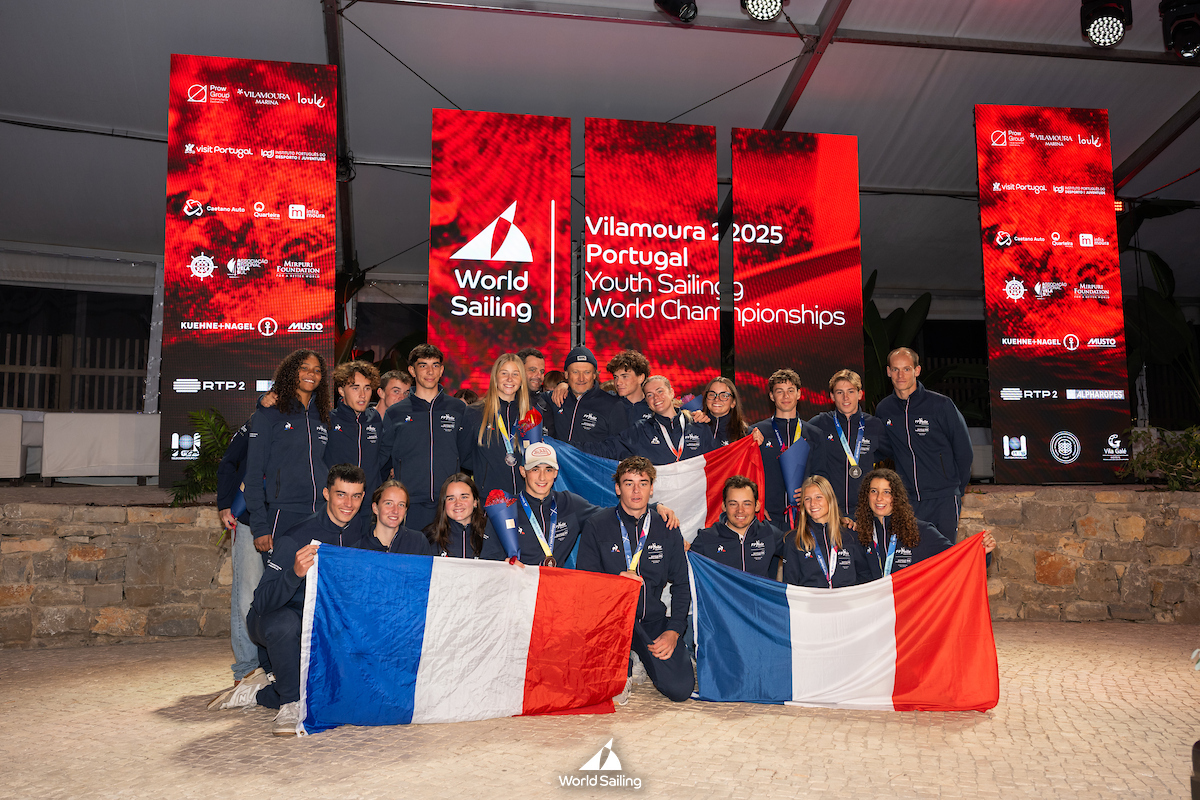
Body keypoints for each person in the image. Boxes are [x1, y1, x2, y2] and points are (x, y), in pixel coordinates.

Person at [211, 464, 370, 735]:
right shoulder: (296, 536)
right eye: (341, 494)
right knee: (285, 623)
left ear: (363, 497)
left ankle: (259, 693)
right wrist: (294, 574)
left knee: (334, 696)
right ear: (326, 494)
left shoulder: (360, 533)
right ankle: (289, 703)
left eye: (355, 496)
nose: (348, 503)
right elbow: (261, 602)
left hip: (321, 625)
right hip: (276, 620)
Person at [577, 457, 693, 704]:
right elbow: (585, 583)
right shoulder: (597, 525)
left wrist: (674, 630)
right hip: (610, 622)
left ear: (652, 489)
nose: (636, 490)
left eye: (643, 483)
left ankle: (638, 654)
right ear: (618, 488)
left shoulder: (667, 527)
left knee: (680, 689)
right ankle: (624, 662)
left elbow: (682, 585)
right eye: (629, 483)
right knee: (600, 689)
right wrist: (615, 582)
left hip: (651, 621)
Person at [480, 441, 680, 566]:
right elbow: (487, 561)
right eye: (535, 469)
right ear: (523, 472)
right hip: (516, 596)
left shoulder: (569, 503)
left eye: (548, 469)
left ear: (556, 473)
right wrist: (503, 566)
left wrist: (653, 507)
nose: (542, 477)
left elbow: (612, 516)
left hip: (554, 597)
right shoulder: (505, 509)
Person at [874, 347, 973, 543]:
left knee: (944, 555)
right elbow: (883, 448)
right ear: (888, 372)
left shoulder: (941, 405)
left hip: (943, 498)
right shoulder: (884, 409)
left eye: (906, 369)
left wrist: (955, 490)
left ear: (917, 370)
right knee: (912, 555)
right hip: (908, 499)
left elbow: (964, 452)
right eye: (895, 369)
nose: (900, 375)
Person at [244, 349, 332, 552]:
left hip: (320, 512)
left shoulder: (323, 415)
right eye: (304, 368)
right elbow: (254, 474)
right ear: (292, 372)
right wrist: (259, 526)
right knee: (280, 573)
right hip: (283, 513)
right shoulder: (269, 414)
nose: (311, 374)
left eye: (317, 370)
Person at [378, 344, 473, 532]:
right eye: (423, 366)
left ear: (442, 370)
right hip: (409, 503)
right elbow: (382, 460)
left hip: (448, 503)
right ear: (412, 370)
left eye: (435, 365)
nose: (430, 371)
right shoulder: (396, 412)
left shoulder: (458, 409)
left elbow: (467, 456)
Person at [855, 468, 996, 581]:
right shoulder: (858, 533)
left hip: (910, 606)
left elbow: (955, 560)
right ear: (866, 495)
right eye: (874, 491)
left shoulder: (920, 531)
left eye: (887, 492)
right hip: (874, 606)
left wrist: (982, 552)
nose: (879, 498)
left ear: (896, 497)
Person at [807, 369, 890, 529]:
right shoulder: (819, 424)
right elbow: (796, 453)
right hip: (830, 511)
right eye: (840, 392)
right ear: (832, 396)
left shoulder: (874, 425)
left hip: (865, 512)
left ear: (860, 394)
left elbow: (891, 452)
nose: (846, 397)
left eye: (851, 391)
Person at [581, 375, 718, 464]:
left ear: (671, 393)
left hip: (695, 498)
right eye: (650, 395)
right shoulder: (640, 431)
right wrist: (568, 448)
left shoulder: (698, 426)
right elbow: (607, 448)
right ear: (647, 401)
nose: (656, 397)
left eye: (660, 391)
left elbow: (717, 461)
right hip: (659, 499)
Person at [750, 369, 820, 525]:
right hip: (768, 518)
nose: (786, 396)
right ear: (771, 396)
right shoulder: (756, 432)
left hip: (806, 516)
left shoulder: (814, 434)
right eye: (779, 391)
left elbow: (822, 474)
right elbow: (747, 473)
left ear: (799, 394)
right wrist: (755, 501)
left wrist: (811, 489)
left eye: (790, 390)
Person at [781, 476, 873, 588]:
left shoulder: (850, 534)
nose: (813, 503)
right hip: (812, 599)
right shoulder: (794, 540)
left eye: (818, 497)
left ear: (830, 499)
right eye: (807, 499)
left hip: (846, 599)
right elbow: (790, 586)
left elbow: (864, 577)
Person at [464, 354, 531, 501]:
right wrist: (485, 470)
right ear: (495, 377)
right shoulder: (475, 413)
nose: (509, 379)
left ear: (521, 380)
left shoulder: (530, 415)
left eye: (515, 374)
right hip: (490, 500)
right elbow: (464, 457)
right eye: (504, 373)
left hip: (525, 499)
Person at [691, 476, 785, 579]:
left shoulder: (769, 533)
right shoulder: (706, 538)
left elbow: (797, 549)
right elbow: (684, 573)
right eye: (733, 504)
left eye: (747, 504)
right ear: (724, 506)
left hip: (759, 590)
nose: (740, 510)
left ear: (757, 506)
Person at [326, 360, 383, 520]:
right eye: (355, 388)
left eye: (367, 388)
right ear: (341, 390)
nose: (362, 395)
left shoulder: (375, 419)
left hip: (369, 507)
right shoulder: (328, 420)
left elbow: (381, 457)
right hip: (338, 506)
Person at [543, 346, 628, 446]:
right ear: (566, 375)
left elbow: (619, 448)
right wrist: (561, 384)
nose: (581, 378)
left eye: (587, 372)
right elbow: (530, 398)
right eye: (575, 372)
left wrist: (575, 450)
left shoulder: (613, 405)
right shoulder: (555, 397)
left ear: (594, 375)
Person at [359, 479, 436, 555]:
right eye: (389, 503)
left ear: (405, 510)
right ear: (375, 508)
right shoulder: (360, 547)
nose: (395, 511)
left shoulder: (418, 543)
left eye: (401, 505)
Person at [426, 473, 489, 558]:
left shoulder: (492, 536)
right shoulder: (428, 538)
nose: (458, 503)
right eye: (451, 498)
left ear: (475, 502)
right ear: (444, 504)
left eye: (464, 497)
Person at [695, 376, 749, 446]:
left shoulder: (745, 434)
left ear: (733, 402)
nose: (716, 399)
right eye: (712, 394)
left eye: (724, 395)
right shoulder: (694, 426)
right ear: (706, 399)